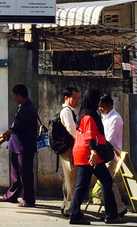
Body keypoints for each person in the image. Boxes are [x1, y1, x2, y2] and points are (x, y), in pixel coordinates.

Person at [68, 89, 123, 225]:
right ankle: (111, 215)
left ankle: (74, 214)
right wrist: (93, 152)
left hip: (81, 153)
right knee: (106, 181)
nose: (99, 102)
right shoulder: (89, 116)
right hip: (90, 154)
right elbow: (90, 135)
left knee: (82, 184)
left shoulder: (83, 114)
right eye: (97, 99)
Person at [0, 83, 39, 207]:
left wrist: (8, 132)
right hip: (16, 145)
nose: (13, 96)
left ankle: (28, 199)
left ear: (20, 96)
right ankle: (12, 195)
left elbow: (19, 127)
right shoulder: (22, 106)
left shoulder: (29, 109)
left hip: (25, 146)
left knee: (25, 173)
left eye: (14, 94)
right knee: (15, 172)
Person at [99, 94, 127, 218]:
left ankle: (118, 207)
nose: (100, 109)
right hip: (103, 153)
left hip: (110, 154)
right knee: (107, 182)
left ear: (110, 106)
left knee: (108, 182)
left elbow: (109, 139)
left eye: (103, 107)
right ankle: (116, 207)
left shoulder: (115, 119)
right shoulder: (104, 116)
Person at [60, 87, 81, 217]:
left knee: (68, 179)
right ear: (66, 98)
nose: (77, 101)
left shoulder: (68, 111)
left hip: (66, 149)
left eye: (78, 99)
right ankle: (70, 208)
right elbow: (72, 130)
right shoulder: (66, 112)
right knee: (72, 179)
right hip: (69, 149)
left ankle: (66, 205)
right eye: (74, 98)